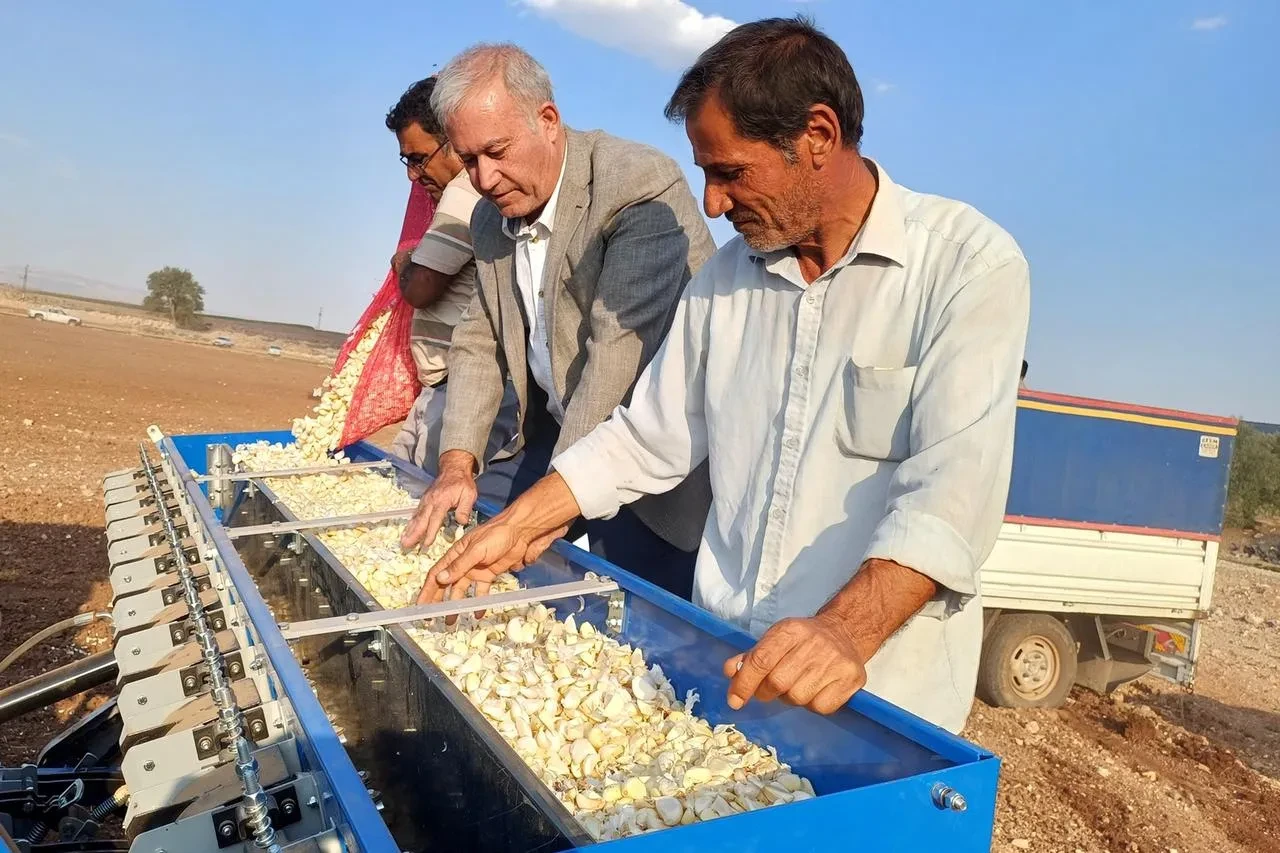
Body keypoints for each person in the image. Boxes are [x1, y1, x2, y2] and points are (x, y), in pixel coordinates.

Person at [413, 17, 1030, 734]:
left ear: (818, 137)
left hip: (878, 697)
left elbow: (952, 495)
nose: (711, 202)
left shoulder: (967, 268)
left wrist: (843, 632)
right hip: (729, 666)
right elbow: (648, 436)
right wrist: (521, 525)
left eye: (729, 172)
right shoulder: (725, 280)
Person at [398, 43, 716, 601]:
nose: (485, 177)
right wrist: (455, 464)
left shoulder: (634, 188)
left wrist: (535, 516)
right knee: (476, 531)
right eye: (469, 160)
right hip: (556, 425)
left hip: (650, 452)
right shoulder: (490, 216)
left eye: (497, 152)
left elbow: (613, 364)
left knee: (635, 611)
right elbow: (480, 340)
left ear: (548, 120)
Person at [383, 76, 518, 474]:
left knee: (423, 500)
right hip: (441, 387)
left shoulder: (465, 191)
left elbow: (421, 288)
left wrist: (404, 262)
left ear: (454, 143)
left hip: (461, 389)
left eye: (418, 158)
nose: (413, 174)